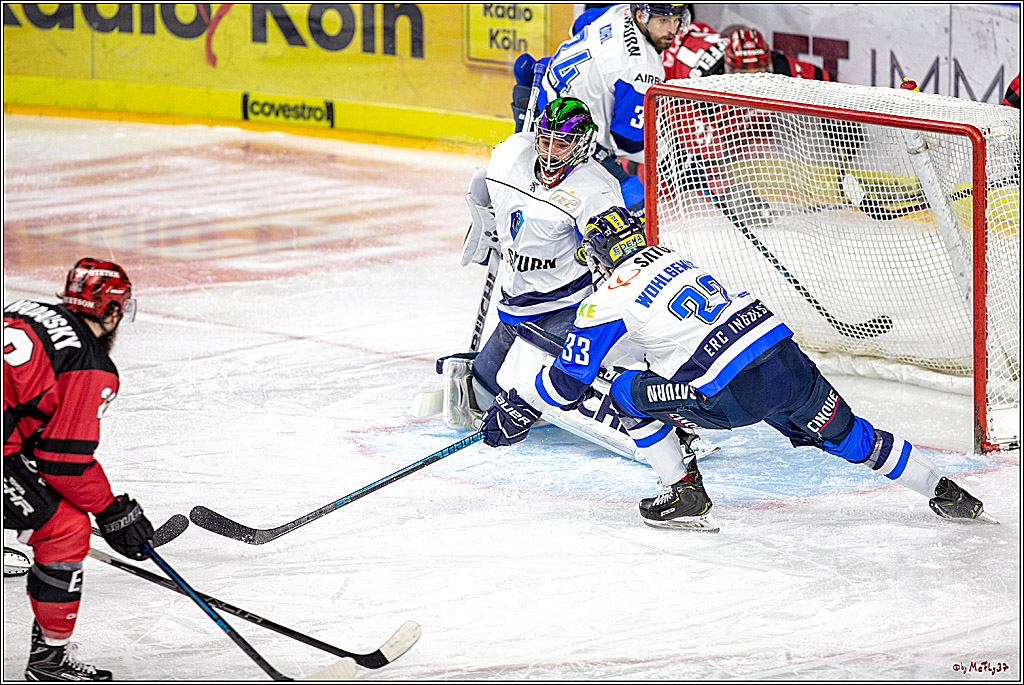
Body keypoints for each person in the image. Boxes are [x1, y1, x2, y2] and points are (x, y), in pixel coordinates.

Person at [479, 207, 993, 531]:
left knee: (625, 394)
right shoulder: (677, 260)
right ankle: (946, 493)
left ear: (597, 258)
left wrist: (519, 405)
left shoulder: (606, 299)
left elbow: (569, 383)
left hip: (732, 392)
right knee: (852, 437)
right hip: (785, 362)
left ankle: (682, 489)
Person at [4, 258, 155, 681]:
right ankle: (49, 664)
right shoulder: (89, 365)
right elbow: (63, 463)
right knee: (67, 528)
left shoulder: (22, 309)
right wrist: (112, 511)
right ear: (110, 311)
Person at [453, 97, 624, 427]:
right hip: (515, 306)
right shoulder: (511, 156)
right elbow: (490, 202)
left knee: (521, 399)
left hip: (564, 307)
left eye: (560, 144)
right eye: (544, 140)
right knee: (485, 390)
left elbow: (619, 268)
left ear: (582, 144)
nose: (547, 152)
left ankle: (609, 393)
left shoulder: (597, 190)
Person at [512, 4, 691, 215]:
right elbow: (628, 142)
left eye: (676, 19)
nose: (672, 29)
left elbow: (579, 26)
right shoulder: (643, 69)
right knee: (635, 204)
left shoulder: (618, 11)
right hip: (564, 130)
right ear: (642, 16)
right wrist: (673, 158)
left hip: (539, 92)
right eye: (663, 21)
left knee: (532, 190)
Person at [722, 27, 833, 81]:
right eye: (742, 75)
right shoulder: (709, 76)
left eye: (758, 73)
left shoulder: (784, 68)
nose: (751, 81)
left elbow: (826, 79)